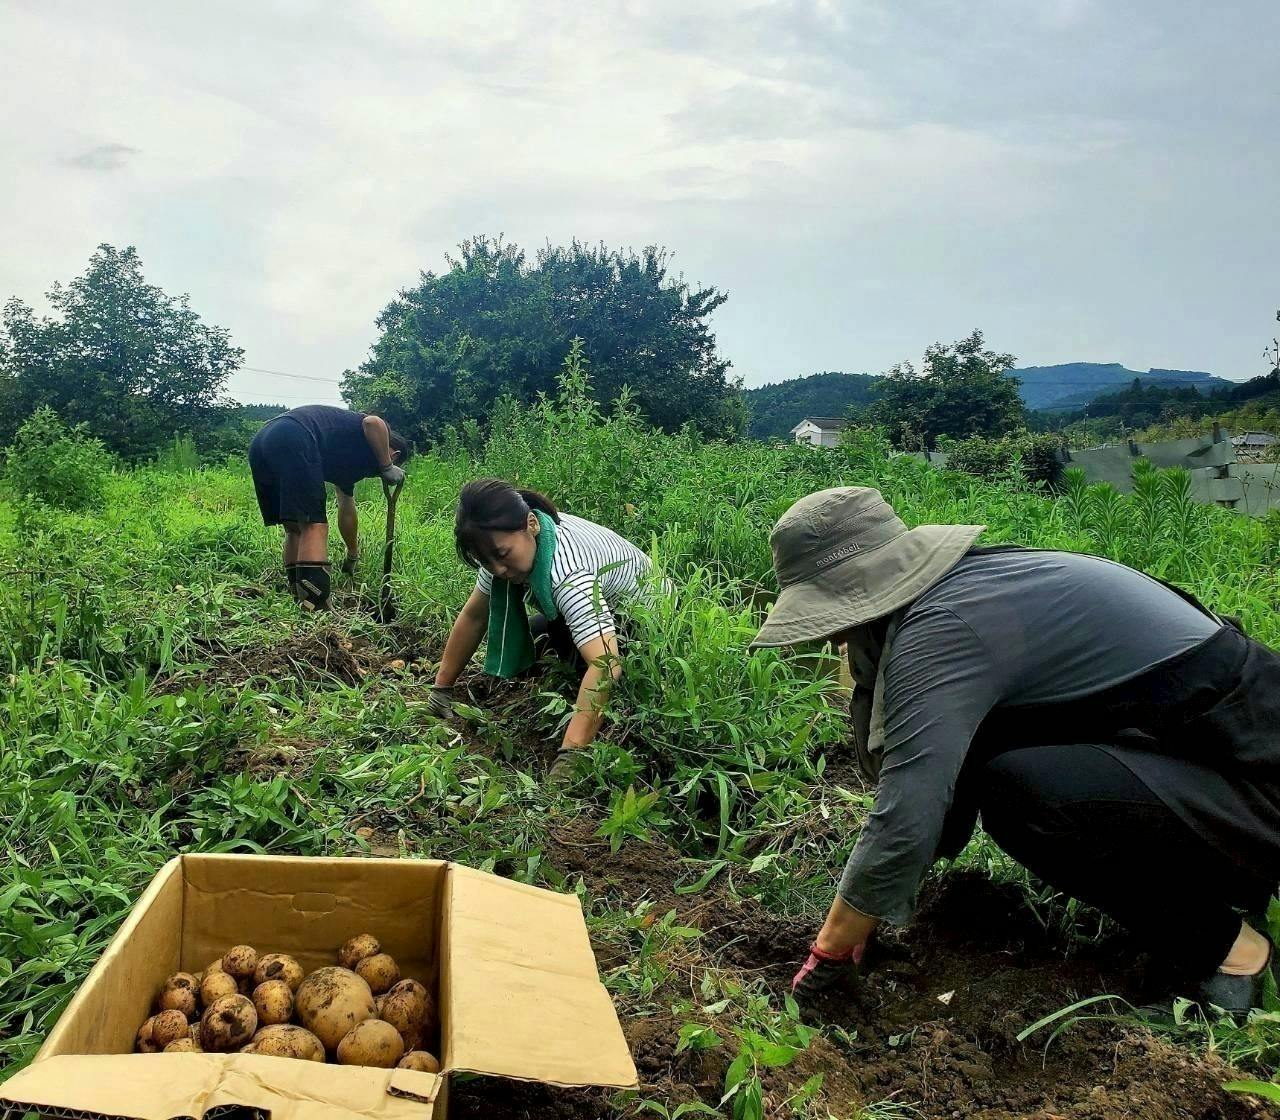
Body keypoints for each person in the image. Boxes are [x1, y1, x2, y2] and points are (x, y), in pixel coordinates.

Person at [753, 486, 1280, 1016]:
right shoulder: (974, 588)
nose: (831, 641)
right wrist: (876, 903)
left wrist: (832, 949)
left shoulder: (944, 627)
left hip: (1255, 777)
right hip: (1205, 756)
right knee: (1001, 763)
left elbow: (911, 805)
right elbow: (953, 768)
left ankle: (1234, 951)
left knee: (1023, 796)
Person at [429, 479, 654, 785]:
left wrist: (570, 754)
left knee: (585, 662)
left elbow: (606, 664)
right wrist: (441, 689)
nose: (498, 570)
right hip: (603, 608)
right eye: (486, 561)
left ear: (531, 524)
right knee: (536, 638)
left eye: (503, 556)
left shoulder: (568, 573)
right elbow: (474, 615)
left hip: (646, 626)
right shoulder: (502, 547)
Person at [248, 404, 411, 609]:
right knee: (314, 525)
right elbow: (373, 421)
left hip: (263, 442)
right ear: (394, 454)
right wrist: (386, 466)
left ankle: (299, 598)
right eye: (395, 459)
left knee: (295, 528)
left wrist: (352, 553)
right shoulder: (372, 432)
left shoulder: (346, 462)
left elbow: (347, 509)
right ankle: (316, 608)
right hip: (295, 434)